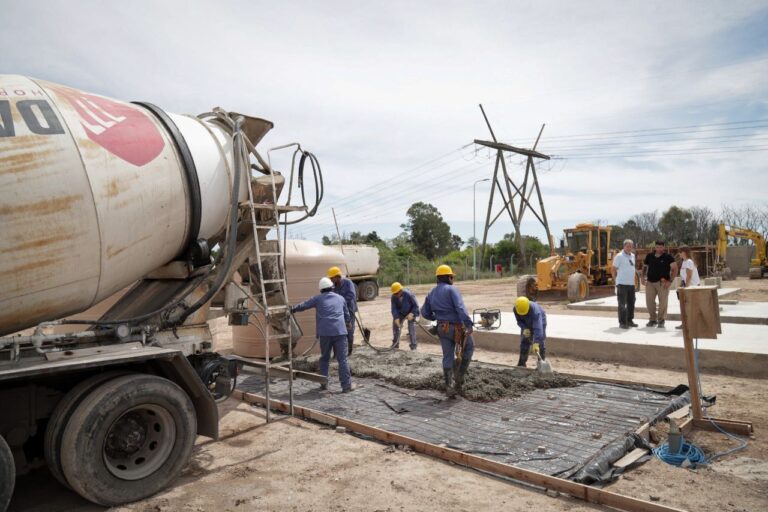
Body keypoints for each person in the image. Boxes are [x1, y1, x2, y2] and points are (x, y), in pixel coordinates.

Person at [291, 277, 355, 392]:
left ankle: (323, 384)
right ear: (332, 287)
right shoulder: (341, 298)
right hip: (340, 332)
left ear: (321, 290)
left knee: (325, 358)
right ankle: (346, 386)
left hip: (325, 333)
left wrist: (292, 309)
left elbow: (304, 305)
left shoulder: (317, 299)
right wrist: (348, 324)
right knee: (342, 360)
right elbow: (347, 316)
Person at [420, 264, 475, 397]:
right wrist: (468, 324)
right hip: (456, 328)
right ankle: (460, 377)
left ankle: (448, 386)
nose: (452, 279)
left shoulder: (431, 292)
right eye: (451, 276)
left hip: (441, 328)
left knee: (447, 356)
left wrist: (437, 317)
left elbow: (424, 312)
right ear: (447, 277)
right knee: (469, 347)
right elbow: (460, 308)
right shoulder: (452, 290)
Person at [642, 240, 678, 328]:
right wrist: (642, 277)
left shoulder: (668, 257)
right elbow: (645, 267)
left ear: (664, 247)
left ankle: (661, 320)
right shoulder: (649, 256)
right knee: (649, 302)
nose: (659, 249)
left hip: (663, 283)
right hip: (650, 282)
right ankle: (652, 319)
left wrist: (670, 281)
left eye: (661, 247)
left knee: (663, 302)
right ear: (655, 247)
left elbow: (675, 269)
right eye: (657, 247)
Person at [328, 266, 358, 355]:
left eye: (332, 278)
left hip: (349, 310)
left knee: (349, 330)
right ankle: (337, 353)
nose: (330, 279)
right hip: (338, 312)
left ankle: (349, 351)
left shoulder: (348, 283)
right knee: (337, 331)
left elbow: (351, 295)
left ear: (337, 277)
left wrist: (340, 302)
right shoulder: (333, 286)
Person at [513, 296, 547, 367]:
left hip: (540, 321)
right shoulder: (516, 309)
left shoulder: (535, 311)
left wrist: (536, 343)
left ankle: (541, 364)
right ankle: (522, 364)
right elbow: (519, 321)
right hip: (526, 323)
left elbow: (538, 328)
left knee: (540, 343)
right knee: (524, 341)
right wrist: (524, 328)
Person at [612, 239, 638, 329]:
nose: (629, 248)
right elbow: (613, 269)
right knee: (622, 304)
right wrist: (616, 280)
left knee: (631, 303)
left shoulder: (633, 256)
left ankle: (629, 320)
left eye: (631, 246)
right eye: (627, 246)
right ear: (624, 246)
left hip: (631, 284)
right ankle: (622, 323)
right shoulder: (619, 256)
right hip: (622, 284)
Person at [675, 247, 701, 330]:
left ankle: (692, 324)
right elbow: (683, 277)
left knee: (690, 307)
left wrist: (686, 289)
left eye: (680, 252)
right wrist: (680, 287)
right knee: (684, 307)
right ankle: (685, 323)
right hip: (686, 286)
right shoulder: (684, 262)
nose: (679, 253)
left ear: (685, 252)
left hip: (692, 287)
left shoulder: (689, 262)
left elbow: (689, 276)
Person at [390, 282, 420, 350]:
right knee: (395, 326)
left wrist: (412, 313)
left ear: (401, 290)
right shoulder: (393, 297)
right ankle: (395, 344)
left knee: (411, 327)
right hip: (401, 313)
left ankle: (413, 346)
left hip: (410, 312)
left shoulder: (409, 294)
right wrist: (396, 318)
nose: (396, 295)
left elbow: (416, 306)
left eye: (397, 293)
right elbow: (394, 308)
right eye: (395, 293)